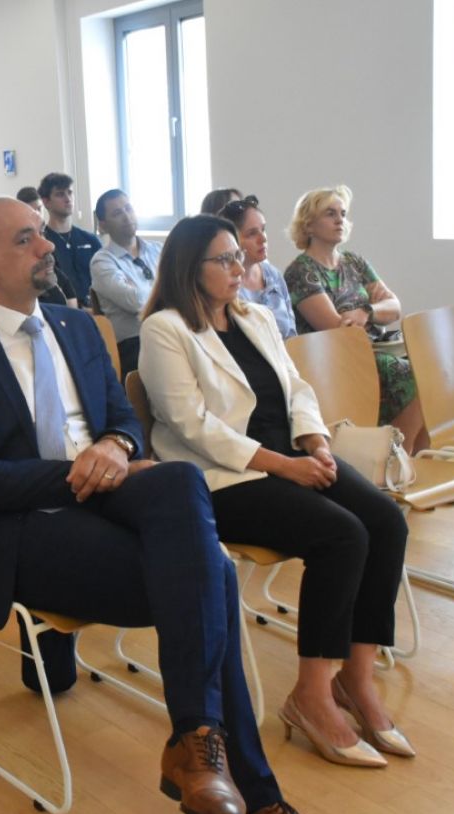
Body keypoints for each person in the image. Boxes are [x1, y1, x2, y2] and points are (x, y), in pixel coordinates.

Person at [0, 197, 345, 814]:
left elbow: (122, 420)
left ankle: (196, 742)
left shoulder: (78, 327)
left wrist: (116, 446)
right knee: (211, 579)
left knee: (179, 481)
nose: (47, 247)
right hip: (21, 524)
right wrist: (79, 471)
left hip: (107, 495)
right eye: (27, 239)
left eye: (42, 235)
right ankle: (252, 798)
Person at [139, 214, 414, 775]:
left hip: (292, 455)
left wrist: (315, 443)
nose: (240, 268)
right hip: (224, 477)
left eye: (239, 257)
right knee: (342, 535)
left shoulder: (255, 316)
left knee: (386, 520)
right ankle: (311, 694)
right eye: (225, 259)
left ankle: (356, 679)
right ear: (190, 267)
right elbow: (192, 426)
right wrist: (286, 466)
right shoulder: (165, 329)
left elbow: (297, 389)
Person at [283, 186, 426, 452]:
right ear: (309, 224)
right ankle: (394, 455)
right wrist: (373, 310)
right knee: (412, 375)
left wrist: (366, 312)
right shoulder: (301, 271)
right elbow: (338, 329)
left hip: (371, 349)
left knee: (428, 368)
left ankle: (414, 458)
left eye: (343, 213)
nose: (340, 220)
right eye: (330, 214)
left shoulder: (354, 262)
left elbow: (394, 307)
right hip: (334, 359)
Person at [89, 189, 161, 376]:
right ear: (103, 225)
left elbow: (184, 289)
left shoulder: (159, 250)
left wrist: (141, 288)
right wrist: (165, 289)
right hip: (134, 344)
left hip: (170, 331)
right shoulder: (102, 261)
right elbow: (135, 301)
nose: (126, 216)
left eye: (128, 208)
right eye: (117, 213)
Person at [219, 196, 296, 339]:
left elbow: (291, 333)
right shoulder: (223, 284)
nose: (263, 238)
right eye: (252, 233)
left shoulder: (273, 275)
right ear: (231, 240)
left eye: (263, 229)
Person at [38, 172, 100, 305]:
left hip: (96, 309)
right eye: (60, 194)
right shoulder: (42, 243)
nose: (68, 199)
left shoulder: (90, 240)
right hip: (62, 308)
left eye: (70, 193)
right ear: (46, 201)